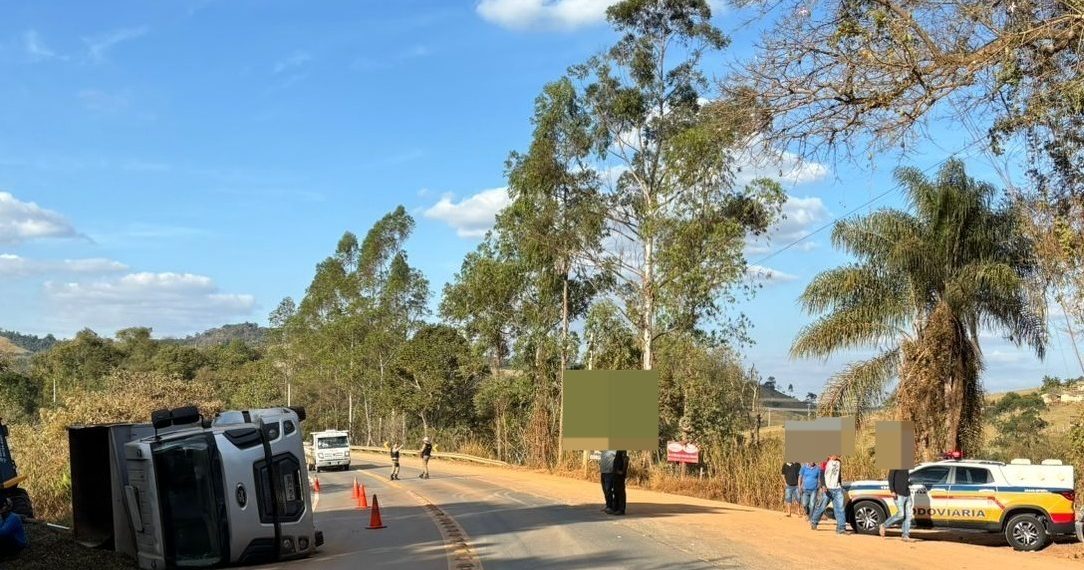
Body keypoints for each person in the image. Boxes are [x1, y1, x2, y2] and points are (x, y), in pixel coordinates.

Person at [811, 454, 849, 534]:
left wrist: (840, 484)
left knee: (840, 509)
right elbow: (821, 475)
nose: (838, 455)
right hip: (827, 489)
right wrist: (823, 485)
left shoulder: (839, 462)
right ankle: (814, 521)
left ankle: (841, 528)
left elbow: (838, 475)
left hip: (837, 489)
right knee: (821, 507)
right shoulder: (825, 462)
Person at [879, 468, 916, 542]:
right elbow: (890, 478)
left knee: (908, 516)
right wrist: (892, 491)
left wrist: (909, 483)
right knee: (901, 514)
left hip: (907, 494)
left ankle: (905, 535)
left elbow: (904, 479)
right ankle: (884, 525)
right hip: (898, 494)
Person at [610, 450, 628, 516]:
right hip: (615, 474)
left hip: (620, 475)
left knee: (620, 492)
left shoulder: (622, 451)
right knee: (615, 491)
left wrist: (622, 471)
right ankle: (615, 508)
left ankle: (621, 509)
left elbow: (625, 460)